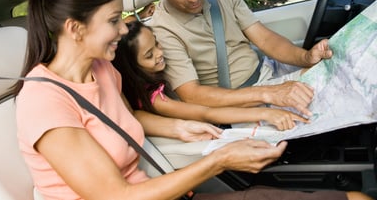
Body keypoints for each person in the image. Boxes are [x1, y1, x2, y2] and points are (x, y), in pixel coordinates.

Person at [15, 0, 371, 200]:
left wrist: (183, 127)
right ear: (75, 29)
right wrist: (219, 161)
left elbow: (129, 119)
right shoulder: (43, 103)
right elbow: (116, 197)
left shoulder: (103, 69)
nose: (124, 29)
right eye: (113, 21)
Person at [147, 0, 333, 117]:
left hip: (268, 73)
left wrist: (305, 57)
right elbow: (192, 94)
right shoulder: (161, 30)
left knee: (335, 71)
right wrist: (269, 93)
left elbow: (264, 39)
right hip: (238, 102)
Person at [113, 20, 309, 131]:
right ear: (132, 67)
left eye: (157, 43)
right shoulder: (156, 101)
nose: (159, 53)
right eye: (149, 55)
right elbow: (206, 113)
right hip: (218, 123)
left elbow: (130, 22)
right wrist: (267, 113)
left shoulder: (139, 48)